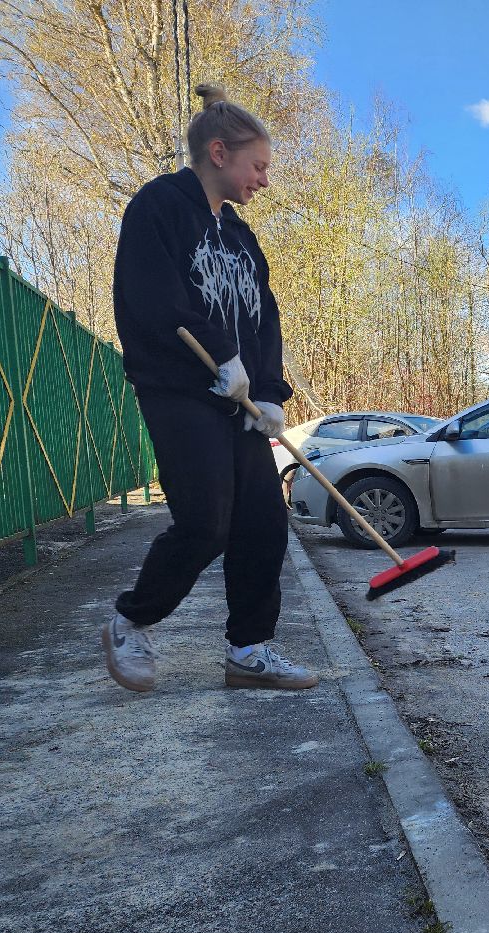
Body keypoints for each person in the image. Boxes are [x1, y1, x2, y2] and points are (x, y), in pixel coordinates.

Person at [101, 84, 317, 693]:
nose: (264, 180)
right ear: (218, 153)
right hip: (180, 390)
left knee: (263, 524)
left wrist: (270, 392)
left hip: (241, 399)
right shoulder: (158, 207)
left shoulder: (243, 239)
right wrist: (220, 355)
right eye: (259, 166)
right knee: (205, 522)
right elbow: (148, 299)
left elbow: (263, 317)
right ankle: (131, 620)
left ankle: (249, 650)